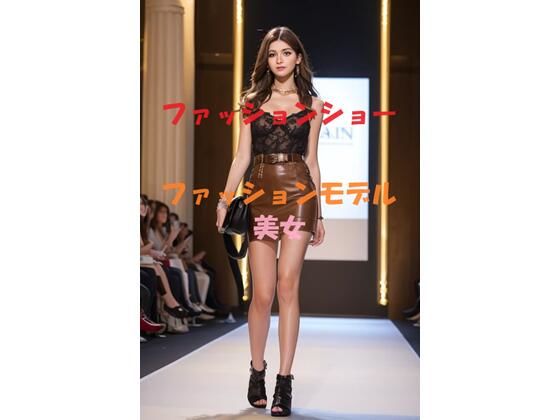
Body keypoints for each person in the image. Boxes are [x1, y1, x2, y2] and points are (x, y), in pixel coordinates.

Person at [216, 26, 325, 417]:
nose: (279, 59)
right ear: (267, 59)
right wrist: (225, 198)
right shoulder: (251, 101)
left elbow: (312, 161)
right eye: (273, 53)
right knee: (262, 294)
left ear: (298, 58)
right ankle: (257, 369)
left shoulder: (314, 105)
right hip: (260, 195)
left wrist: (319, 212)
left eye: (286, 53)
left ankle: (284, 380)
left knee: (287, 285)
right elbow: (241, 156)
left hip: (298, 196)